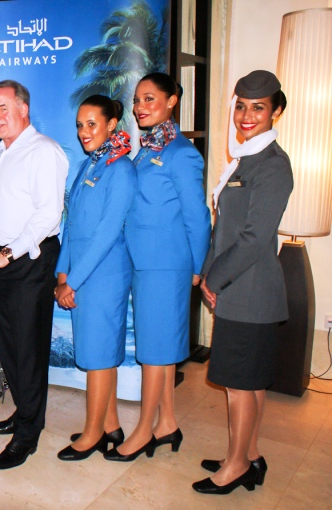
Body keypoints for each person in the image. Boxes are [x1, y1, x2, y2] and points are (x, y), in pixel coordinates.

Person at [194, 70, 292, 495]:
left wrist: (215, 276)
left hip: (251, 291)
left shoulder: (273, 166)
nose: (246, 115)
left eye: (258, 107)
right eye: (240, 106)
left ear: (277, 112)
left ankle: (235, 466)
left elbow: (254, 239)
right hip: (238, 287)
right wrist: (210, 271)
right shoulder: (245, 159)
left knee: (240, 385)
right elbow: (224, 229)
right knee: (248, 381)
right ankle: (249, 454)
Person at [104, 73, 210, 462]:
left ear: (172, 101)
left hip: (167, 266)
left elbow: (198, 217)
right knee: (159, 350)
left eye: (150, 99)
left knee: (154, 353)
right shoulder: (147, 150)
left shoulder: (181, 153)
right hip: (144, 263)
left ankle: (144, 431)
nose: (140, 106)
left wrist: (196, 268)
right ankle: (167, 423)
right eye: (137, 100)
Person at [0, 80, 68, 469]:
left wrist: (9, 253)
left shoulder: (44, 151)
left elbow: (48, 215)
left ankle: (28, 433)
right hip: (2, 261)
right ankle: (23, 412)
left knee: (28, 348)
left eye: (4, 108)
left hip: (27, 259)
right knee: (10, 345)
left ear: (24, 109)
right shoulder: (2, 154)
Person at [54, 95, 136, 461]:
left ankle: (91, 435)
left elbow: (106, 232)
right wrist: (62, 270)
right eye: (80, 125)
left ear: (111, 124)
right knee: (96, 352)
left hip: (103, 277)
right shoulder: (90, 165)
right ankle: (110, 424)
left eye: (92, 124)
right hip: (80, 275)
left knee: (99, 357)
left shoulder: (121, 169)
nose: (84, 131)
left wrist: (73, 282)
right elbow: (72, 225)